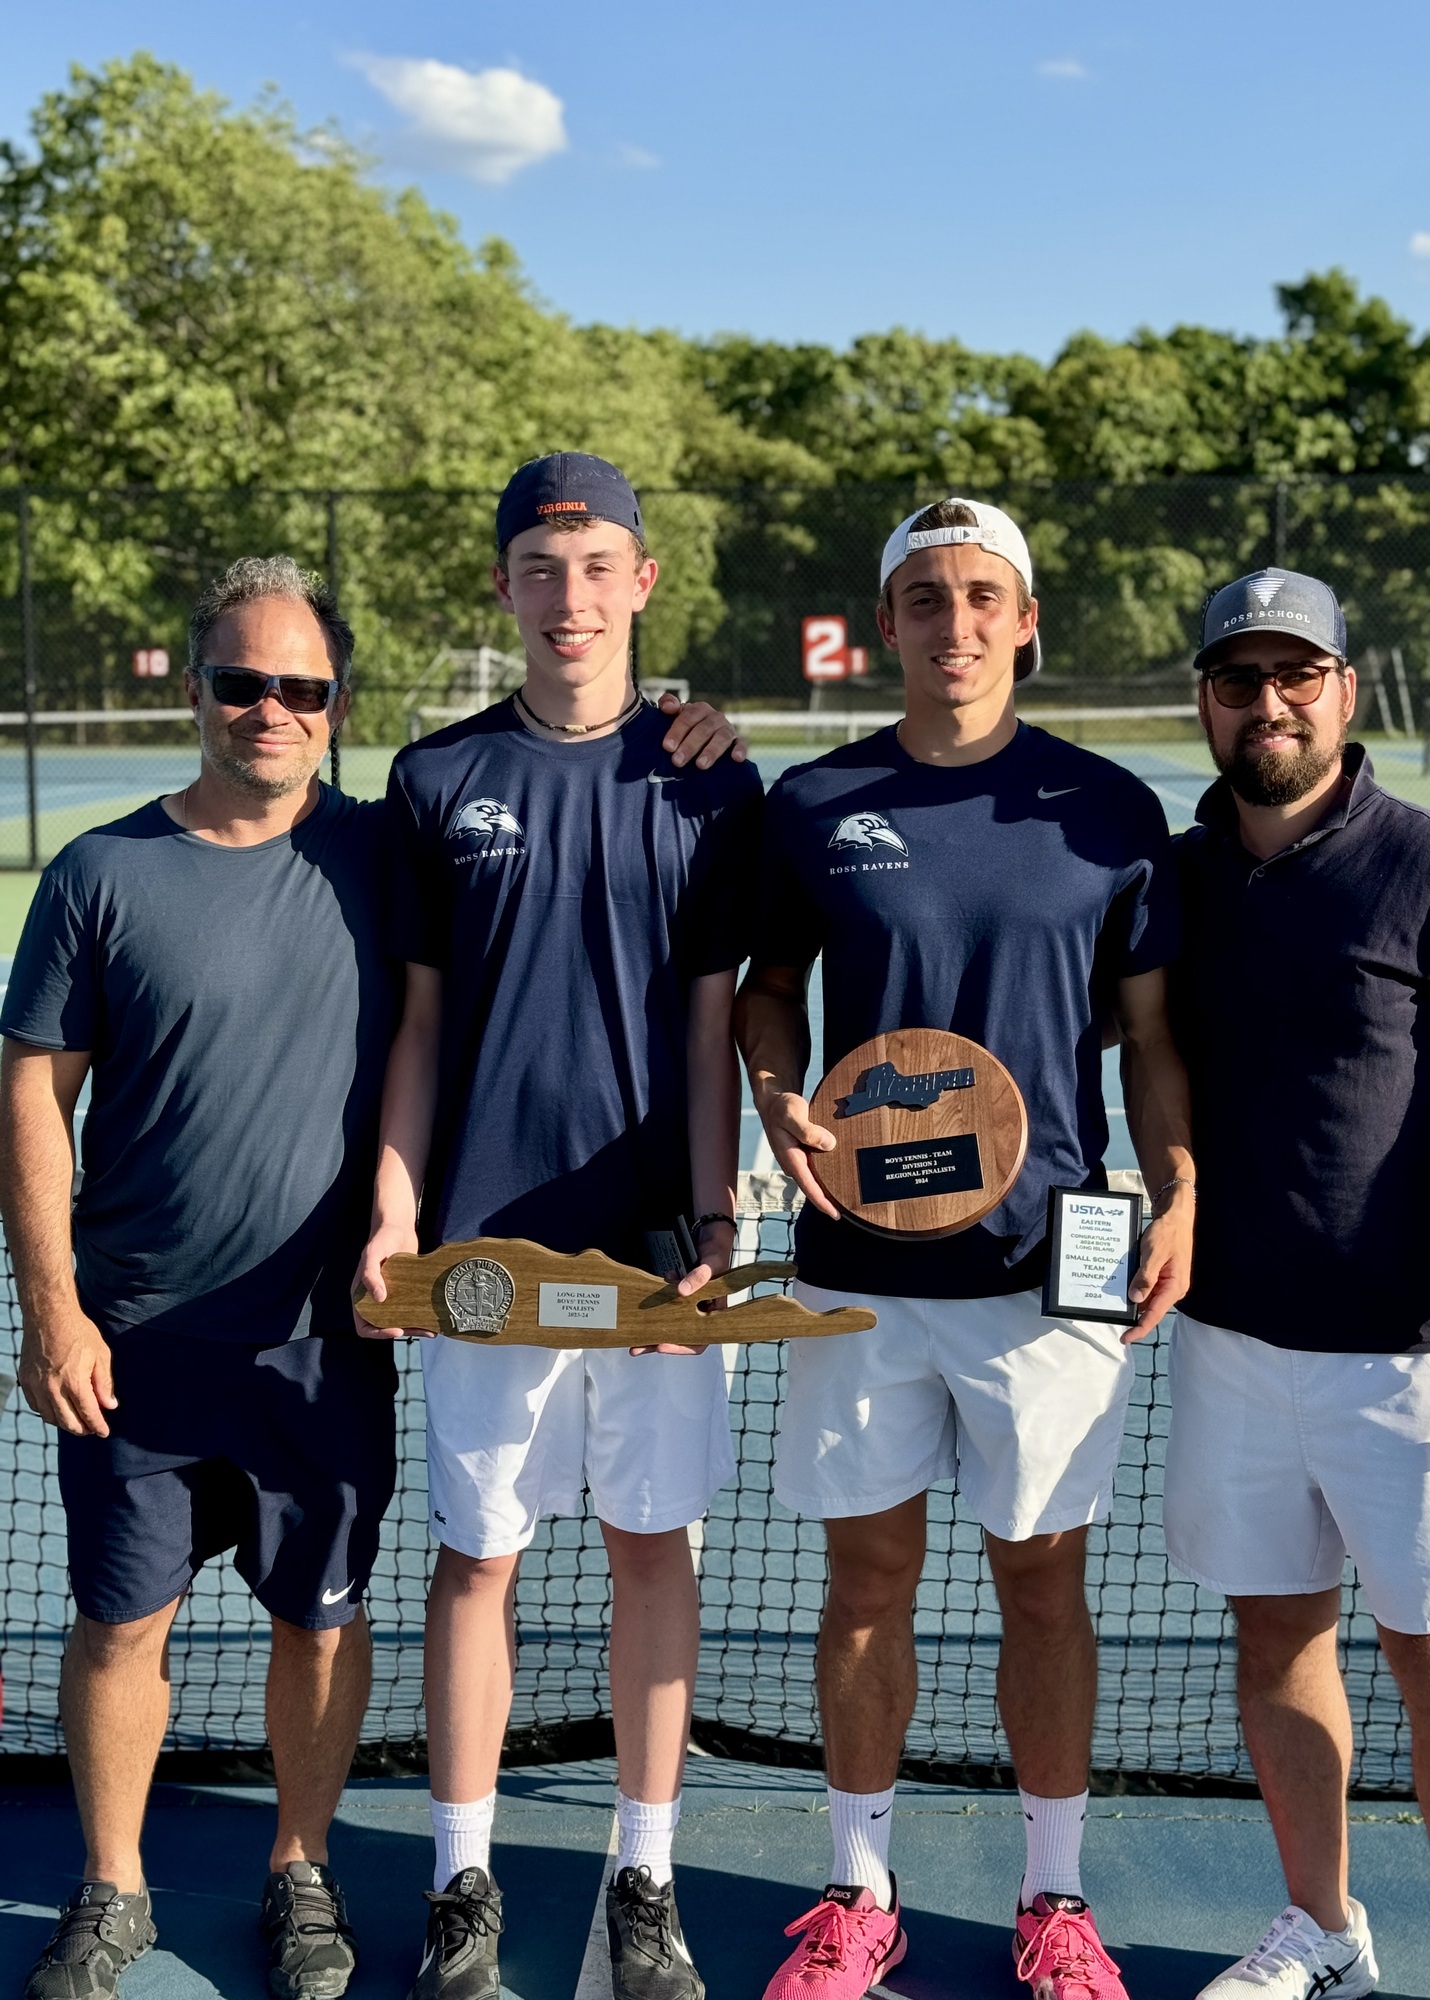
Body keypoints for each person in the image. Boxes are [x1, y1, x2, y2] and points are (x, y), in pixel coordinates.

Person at [1, 552, 741, 2000]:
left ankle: (302, 1872)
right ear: (199, 689)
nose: (267, 709)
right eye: (240, 683)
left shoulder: (377, 845)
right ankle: (112, 1887)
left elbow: (455, 1000)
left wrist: (680, 716)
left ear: (335, 706)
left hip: (325, 1340)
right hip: (140, 1334)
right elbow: (33, 1090)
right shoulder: (99, 872)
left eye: (300, 687)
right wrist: (51, 1304)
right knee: (118, 1621)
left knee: (319, 1619)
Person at [737, 498, 1196, 2000]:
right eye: (926, 598)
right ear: (890, 625)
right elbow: (766, 984)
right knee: (865, 1582)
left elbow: (1148, 1039)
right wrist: (775, 1092)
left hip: (1045, 1274)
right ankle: (857, 1891)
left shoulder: (1112, 813)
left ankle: (1054, 1901)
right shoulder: (815, 802)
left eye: (983, 596)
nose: (956, 623)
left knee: (1043, 1587)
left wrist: (1177, 1178)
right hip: (855, 1274)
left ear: (1027, 618)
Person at [355, 453, 763, 2000]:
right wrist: (397, 1211)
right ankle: (461, 1883)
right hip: (479, 1257)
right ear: (506, 586)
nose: (570, 594)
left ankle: (641, 1878)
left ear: (643, 581)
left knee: (653, 1550)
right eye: (542, 565)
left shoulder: (715, 782)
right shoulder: (434, 779)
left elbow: (717, 1021)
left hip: (655, 1254)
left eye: (598, 566)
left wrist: (718, 1210)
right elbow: (413, 1030)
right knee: (480, 1561)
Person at [1164, 568, 1430, 2000]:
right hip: (1231, 1338)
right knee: (1278, 1637)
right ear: (1208, 704)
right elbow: (1151, 1055)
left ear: (1344, 690)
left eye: (1298, 675)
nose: (1270, 703)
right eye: (1242, 680)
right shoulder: (1176, 874)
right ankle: (1324, 1930)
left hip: (1418, 1351)